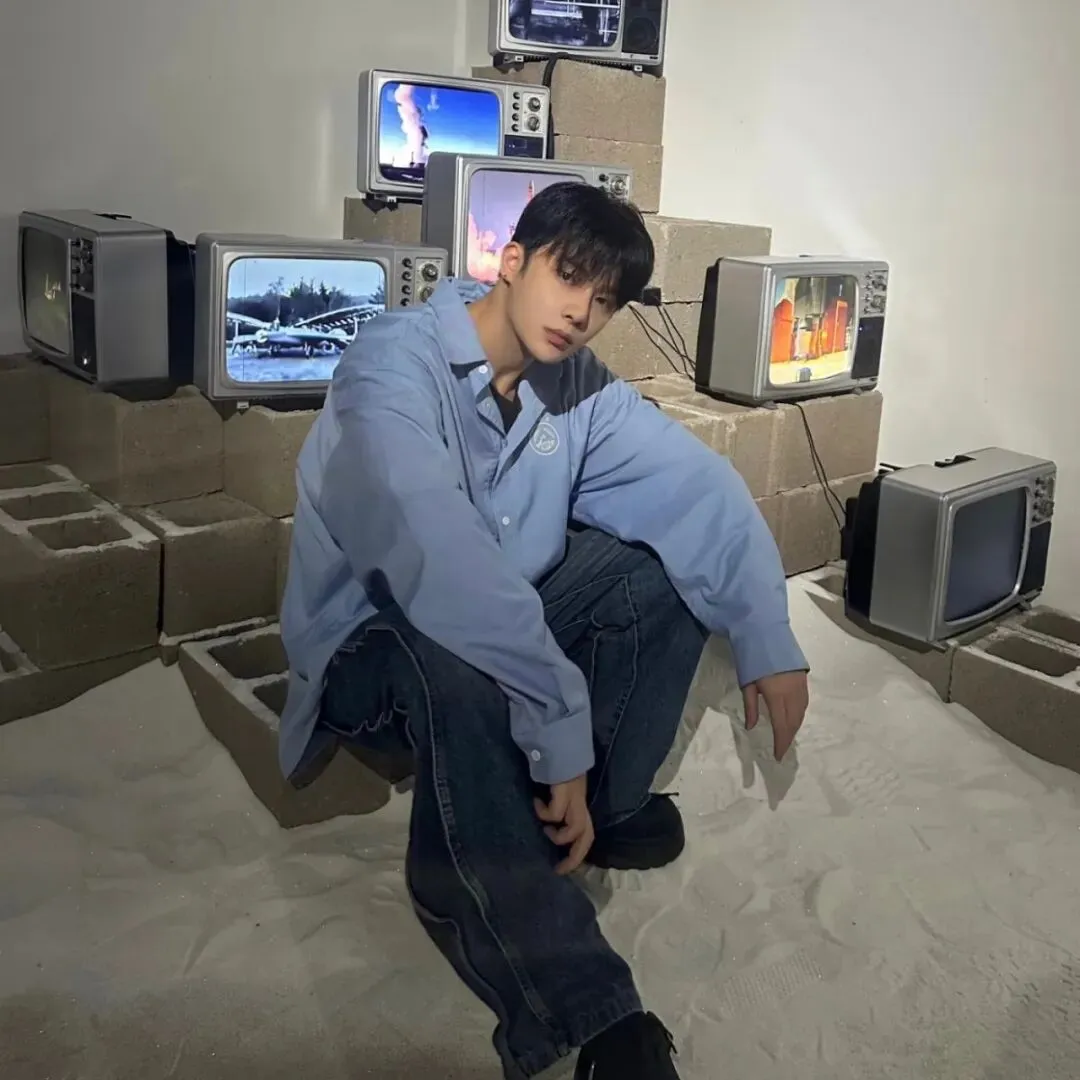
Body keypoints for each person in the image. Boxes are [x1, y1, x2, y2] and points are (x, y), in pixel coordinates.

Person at [277, 182, 810, 1080]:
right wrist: (556, 714)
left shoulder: (576, 387)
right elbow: (434, 556)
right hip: (374, 638)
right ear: (512, 261)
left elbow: (697, 491)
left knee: (653, 572)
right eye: (569, 277)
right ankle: (584, 1004)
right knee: (453, 664)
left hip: (492, 612)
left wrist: (766, 634)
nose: (581, 312)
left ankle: (599, 809)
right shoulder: (390, 365)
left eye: (604, 299)